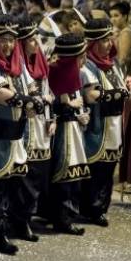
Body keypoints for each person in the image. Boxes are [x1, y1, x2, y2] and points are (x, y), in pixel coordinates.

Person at [0, 14, 42, 255]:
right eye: (3, 40)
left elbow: (29, 87)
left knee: (12, 185)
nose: (8, 45)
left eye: (11, 40)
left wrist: (32, 99)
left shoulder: (17, 63)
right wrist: (23, 99)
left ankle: (7, 227)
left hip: (17, 133)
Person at [82, 19, 131, 227]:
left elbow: (124, 86)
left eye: (109, 39)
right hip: (97, 124)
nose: (109, 44)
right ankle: (91, 209)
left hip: (114, 124)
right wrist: (116, 93)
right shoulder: (87, 64)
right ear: (94, 43)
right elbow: (91, 95)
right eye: (104, 41)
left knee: (108, 170)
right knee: (95, 169)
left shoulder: (114, 64)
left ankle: (101, 207)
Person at [9, 19, 54, 242]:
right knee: (24, 176)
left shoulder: (41, 61)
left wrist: (51, 116)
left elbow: (49, 90)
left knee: (38, 176)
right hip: (27, 125)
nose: (37, 43)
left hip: (43, 124)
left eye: (37, 38)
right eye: (32, 39)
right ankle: (20, 220)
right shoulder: (19, 65)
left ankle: (30, 215)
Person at [45, 34, 90, 235]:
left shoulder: (73, 74)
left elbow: (75, 96)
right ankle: (62, 218)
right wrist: (67, 106)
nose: (84, 61)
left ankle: (69, 214)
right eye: (81, 56)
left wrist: (81, 114)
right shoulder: (57, 72)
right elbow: (54, 102)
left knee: (74, 176)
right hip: (63, 131)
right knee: (65, 176)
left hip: (75, 130)